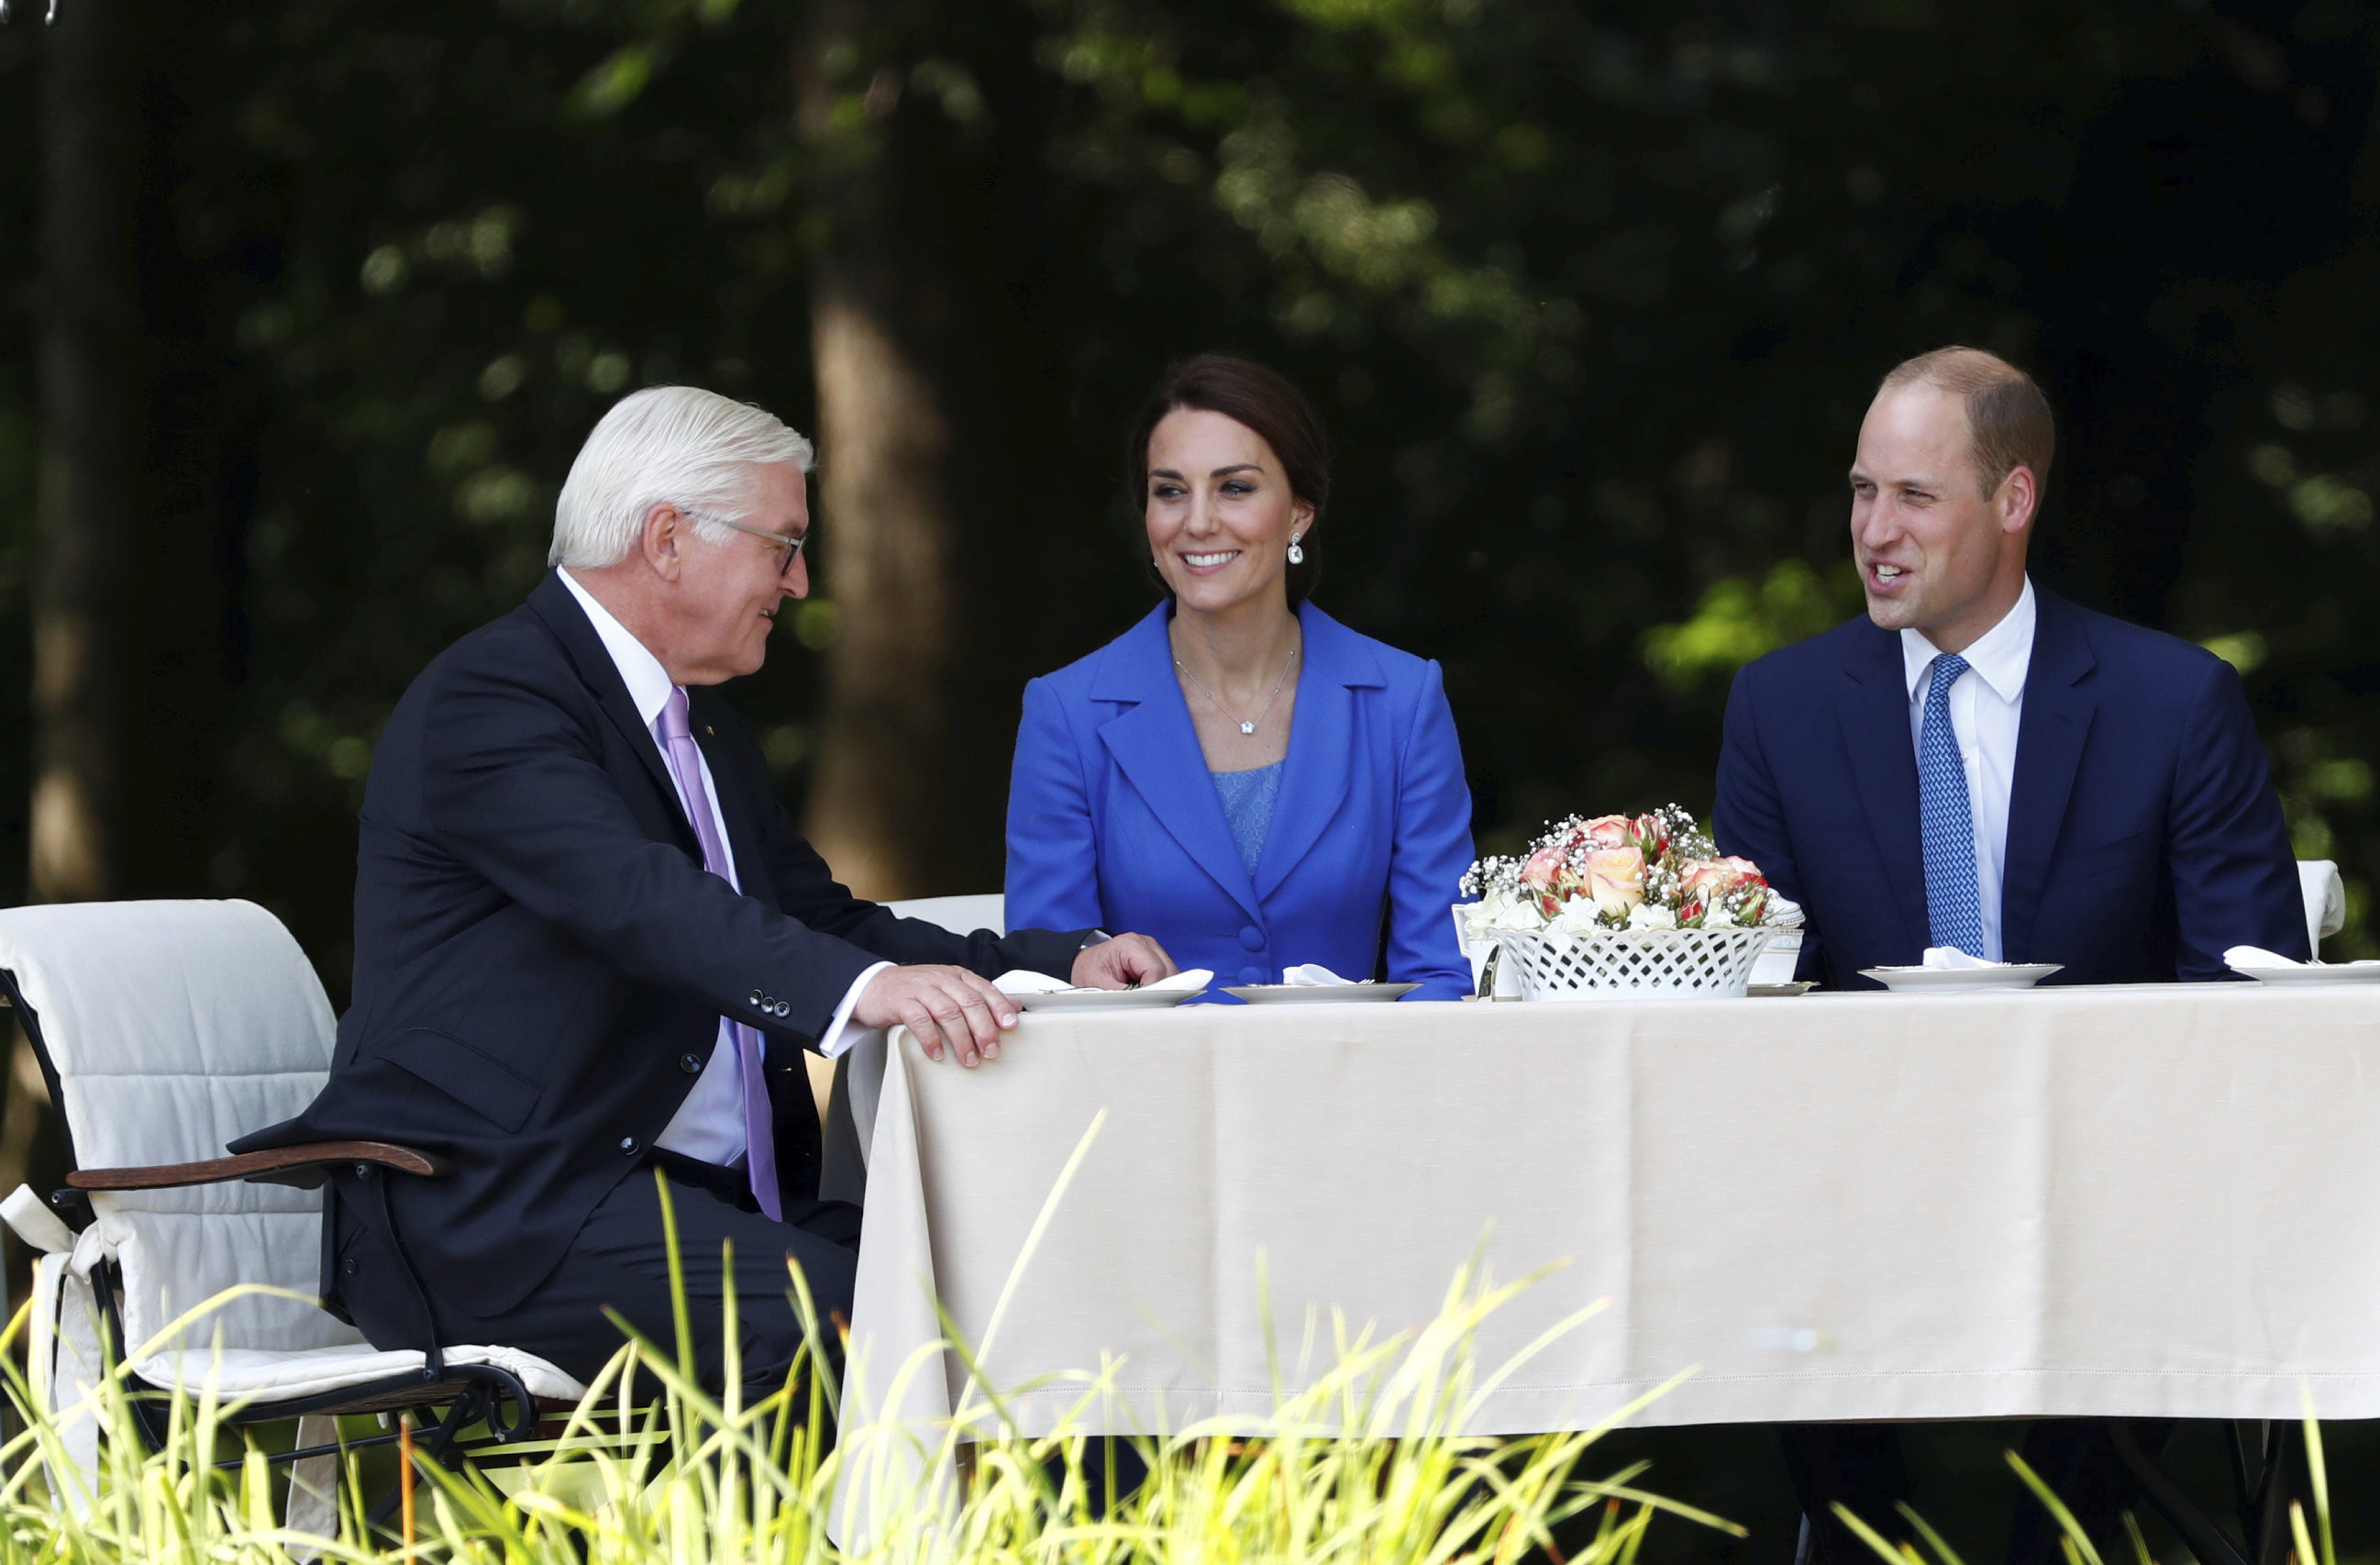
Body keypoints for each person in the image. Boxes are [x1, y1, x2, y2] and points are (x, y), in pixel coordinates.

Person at [235, 385, 1171, 1388]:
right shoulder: (493, 699)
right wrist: (860, 994)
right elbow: (640, 901)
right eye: (783, 546)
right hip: (508, 1212)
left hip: (689, 1202)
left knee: (1036, 1297)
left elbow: (821, 921)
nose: (802, 582)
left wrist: (1055, 960)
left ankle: (1094, 1553)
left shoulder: (701, 727)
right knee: (874, 1331)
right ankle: (850, 1555)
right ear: (668, 538)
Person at [1714, 346, 2308, 1565]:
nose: (1875, 531)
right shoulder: (1783, 705)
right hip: (1854, 1168)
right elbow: (1750, 988)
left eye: (1915, 497)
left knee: (2172, 1215)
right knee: (1760, 1215)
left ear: (2015, 499)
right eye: (1862, 492)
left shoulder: (2172, 700)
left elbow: (2252, 981)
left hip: (2111, 1163)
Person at [1002, 355, 1477, 1001]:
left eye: (1235, 488)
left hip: (1351, 1088)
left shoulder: (1403, 700)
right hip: (1143, 1093)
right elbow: (1050, 977)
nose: (1197, 522)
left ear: (1300, 512)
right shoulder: (1066, 712)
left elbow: (1443, 971)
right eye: (1170, 491)